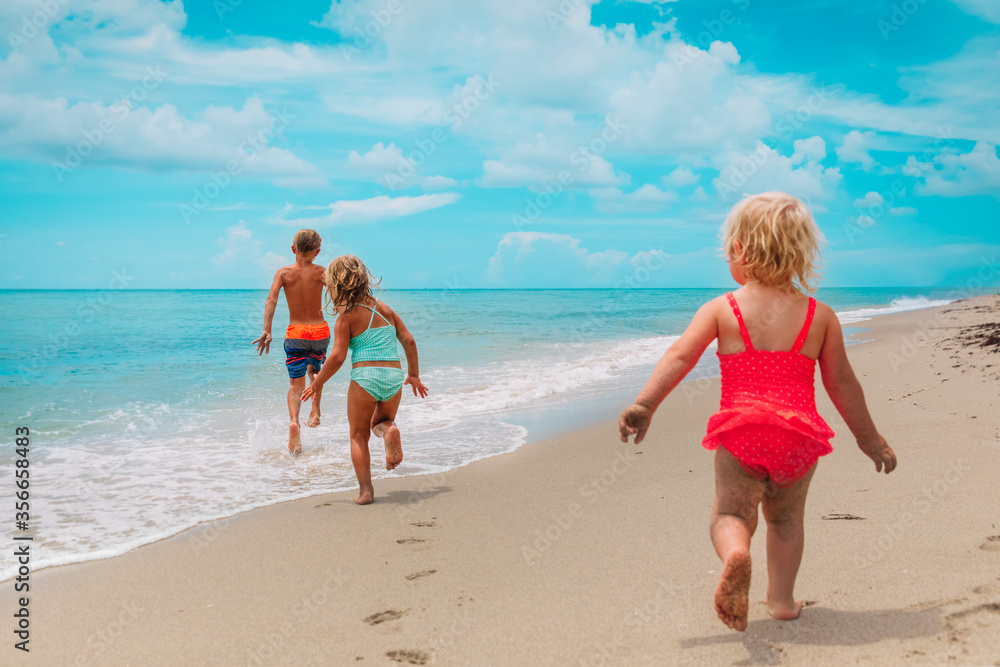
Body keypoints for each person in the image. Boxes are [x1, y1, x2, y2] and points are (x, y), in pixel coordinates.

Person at [618, 192, 897, 632]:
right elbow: (841, 383)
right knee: (785, 520)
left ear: (740, 252)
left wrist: (645, 403)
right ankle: (782, 601)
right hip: (797, 438)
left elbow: (679, 357)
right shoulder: (819, 316)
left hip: (742, 432)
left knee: (730, 513)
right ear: (801, 254)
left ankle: (735, 553)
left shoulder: (722, 309)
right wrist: (870, 439)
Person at [301, 255, 428, 505]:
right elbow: (409, 340)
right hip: (393, 377)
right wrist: (413, 374)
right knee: (381, 421)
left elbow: (337, 357)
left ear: (338, 284)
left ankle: (366, 491)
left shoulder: (346, 318)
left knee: (358, 436)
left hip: (365, 377)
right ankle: (389, 430)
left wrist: (318, 383)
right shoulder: (386, 309)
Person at [252, 229, 328, 455]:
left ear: (293, 249)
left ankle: (294, 422)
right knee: (315, 372)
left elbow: (271, 300)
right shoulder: (323, 272)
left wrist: (267, 330)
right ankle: (315, 412)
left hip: (296, 333)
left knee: (296, 384)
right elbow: (338, 297)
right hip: (320, 331)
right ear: (317, 252)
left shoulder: (283, 273)